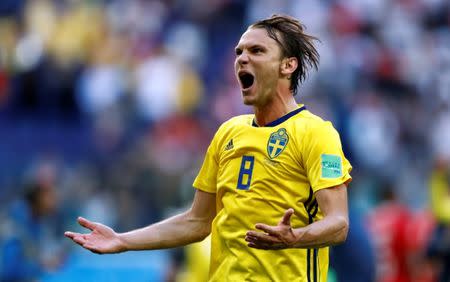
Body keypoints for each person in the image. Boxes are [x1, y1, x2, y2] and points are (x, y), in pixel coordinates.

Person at [65, 14, 352, 281]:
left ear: (288, 65)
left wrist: (295, 237)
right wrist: (123, 240)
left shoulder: (316, 133)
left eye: (257, 51)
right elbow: (197, 221)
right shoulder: (228, 133)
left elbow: (338, 223)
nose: (242, 59)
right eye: (239, 52)